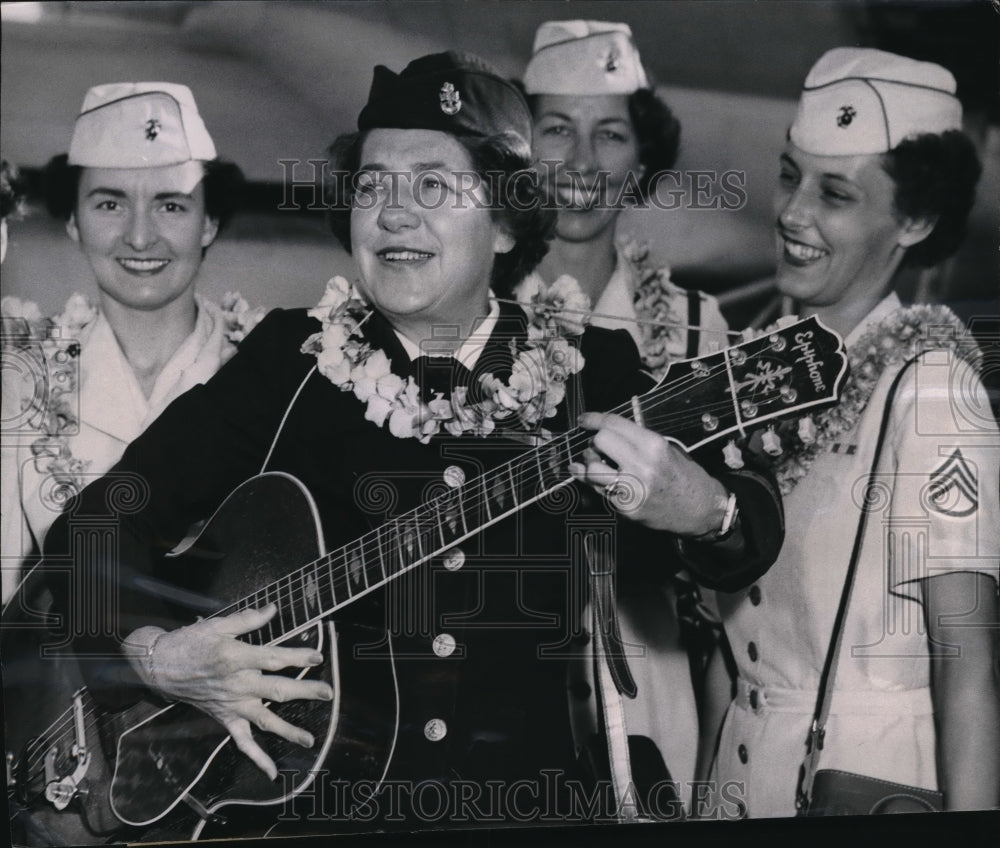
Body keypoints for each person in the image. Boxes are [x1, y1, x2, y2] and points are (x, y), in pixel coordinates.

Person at [36, 52, 783, 838]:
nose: (394, 214)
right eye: (372, 187)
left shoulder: (591, 373)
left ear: (503, 221)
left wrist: (708, 510)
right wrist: (156, 656)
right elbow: (94, 526)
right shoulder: (290, 363)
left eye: (433, 186)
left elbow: (750, 518)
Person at [698, 47, 999, 818]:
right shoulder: (751, 378)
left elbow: (966, 669)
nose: (794, 213)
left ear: (915, 220)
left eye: (835, 193)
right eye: (790, 174)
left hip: (866, 788)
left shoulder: (933, 391)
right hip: (737, 783)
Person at [515, 20, 732, 809]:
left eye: (609, 134)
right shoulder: (470, 314)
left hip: (654, 676)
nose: (580, 163)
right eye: (555, 130)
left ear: (641, 157)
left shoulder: (700, 326)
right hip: (500, 676)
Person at [0, 82, 262, 606]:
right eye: (109, 203)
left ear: (210, 221)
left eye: (171, 205)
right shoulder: (23, 377)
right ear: (73, 221)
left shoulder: (268, 369)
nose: (140, 237)